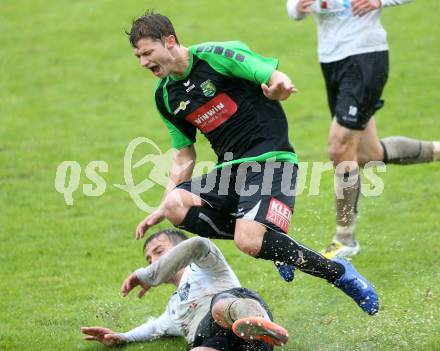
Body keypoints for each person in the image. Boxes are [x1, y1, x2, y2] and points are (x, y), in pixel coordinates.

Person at [130, 11, 378, 315]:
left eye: (147, 53)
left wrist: (279, 86)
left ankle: (338, 273)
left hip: (272, 159)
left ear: (169, 42)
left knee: (248, 242)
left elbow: (271, 75)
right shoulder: (166, 96)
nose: (143, 62)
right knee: (174, 205)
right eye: (138, 56)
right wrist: (160, 203)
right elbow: (184, 155)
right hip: (231, 171)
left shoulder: (217, 56)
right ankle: (270, 240)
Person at [287, 0, 440, 259]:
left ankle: (345, 239)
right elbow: (292, 8)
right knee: (369, 153)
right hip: (331, 60)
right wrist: (297, 8)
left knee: (339, 148)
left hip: (365, 56)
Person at [81, 229, 289, 350]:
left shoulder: (207, 266)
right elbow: (154, 328)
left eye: (159, 251)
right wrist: (120, 337)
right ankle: (254, 330)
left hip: (236, 314)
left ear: (179, 249)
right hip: (216, 341)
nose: (154, 261)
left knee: (221, 306)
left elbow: (197, 244)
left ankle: (256, 322)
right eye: (149, 259)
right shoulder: (173, 307)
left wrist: (146, 274)